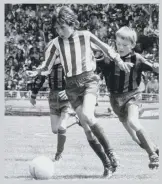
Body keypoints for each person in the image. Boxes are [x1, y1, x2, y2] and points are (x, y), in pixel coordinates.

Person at [27, 6, 133, 177]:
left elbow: (105, 47)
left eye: (62, 27)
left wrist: (118, 60)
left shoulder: (85, 35)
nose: (59, 31)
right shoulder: (56, 43)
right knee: (87, 128)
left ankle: (112, 153)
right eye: (56, 28)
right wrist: (37, 72)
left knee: (88, 115)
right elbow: (47, 66)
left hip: (89, 81)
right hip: (72, 88)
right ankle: (107, 165)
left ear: (71, 23)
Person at [100, 26, 159, 170]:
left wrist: (156, 67)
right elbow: (91, 65)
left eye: (125, 45)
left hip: (132, 96)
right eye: (118, 44)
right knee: (134, 137)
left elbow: (154, 68)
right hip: (115, 101)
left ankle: (153, 156)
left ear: (133, 45)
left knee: (133, 121)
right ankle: (153, 147)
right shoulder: (108, 59)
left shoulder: (137, 59)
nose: (120, 47)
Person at [29, 56, 79, 161]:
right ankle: (75, 120)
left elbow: (77, 80)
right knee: (55, 130)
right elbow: (40, 79)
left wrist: (69, 91)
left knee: (61, 126)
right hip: (52, 98)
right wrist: (33, 95)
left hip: (66, 98)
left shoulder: (69, 63)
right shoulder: (48, 65)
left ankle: (58, 154)